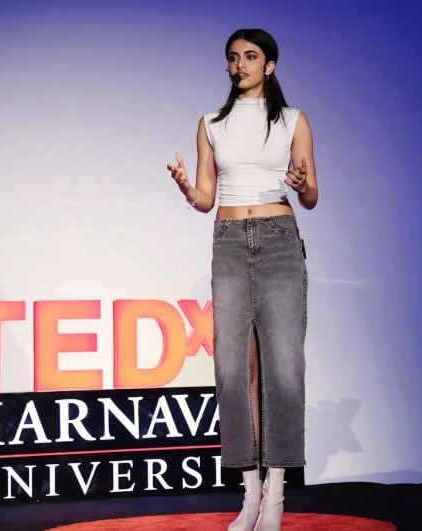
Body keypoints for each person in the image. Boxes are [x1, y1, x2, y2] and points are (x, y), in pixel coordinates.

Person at [166, 28, 317, 530]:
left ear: (270, 65)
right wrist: (188, 187)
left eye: (250, 57)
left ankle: (276, 493)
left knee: (283, 370)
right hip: (229, 241)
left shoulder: (294, 121)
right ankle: (248, 491)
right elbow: (208, 198)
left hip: (279, 238)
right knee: (233, 370)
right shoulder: (210, 124)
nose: (240, 65)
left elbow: (312, 195)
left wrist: (302, 183)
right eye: (233, 58)